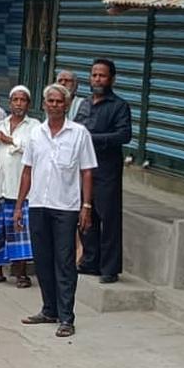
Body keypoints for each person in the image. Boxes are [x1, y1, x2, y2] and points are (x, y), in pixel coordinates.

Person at [15, 84, 97, 338]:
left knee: (64, 262)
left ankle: (66, 317)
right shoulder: (36, 134)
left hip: (66, 207)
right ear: (44, 103)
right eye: (49, 101)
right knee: (42, 259)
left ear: (67, 104)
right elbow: (27, 170)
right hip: (38, 204)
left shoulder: (79, 133)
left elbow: (86, 171)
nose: (53, 105)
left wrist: (86, 206)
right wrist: (19, 205)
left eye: (58, 102)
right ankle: (48, 309)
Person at [73, 58, 132, 284]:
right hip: (84, 169)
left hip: (107, 170)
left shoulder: (119, 106)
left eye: (102, 75)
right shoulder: (85, 104)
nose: (97, 79)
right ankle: (90, 261)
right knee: (87, 216)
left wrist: (92, 139)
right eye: (94, 75)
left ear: (112, 79)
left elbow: (124, 135)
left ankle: (109, 268)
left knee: (108, 218)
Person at [0, 85, 40, 287]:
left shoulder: (35, 126)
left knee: (19, 231)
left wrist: (9, 140)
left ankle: (21, 274)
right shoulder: (1, 123)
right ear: (10, 102)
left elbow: (30, 149)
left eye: (22, 100)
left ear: (28, 104)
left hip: (19, 188)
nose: (18, 103)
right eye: (15, 100)